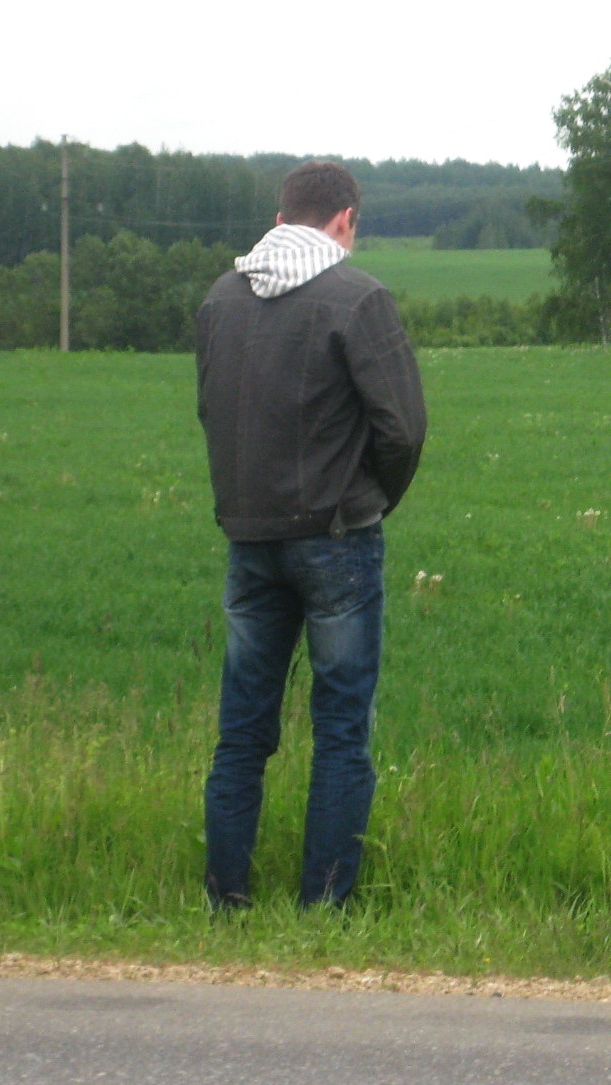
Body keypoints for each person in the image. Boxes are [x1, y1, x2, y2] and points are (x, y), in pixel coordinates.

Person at [196, 160, 426, 909]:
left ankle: (225, 900)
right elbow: (403, 428)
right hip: (337, 537)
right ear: (345, 220)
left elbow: (211, 411)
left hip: (249, 535)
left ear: (280, 217)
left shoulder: (220, 299)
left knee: (242, 731)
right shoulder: (359, 298)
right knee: (340, 730)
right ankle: (323, 909)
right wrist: (371, 501)